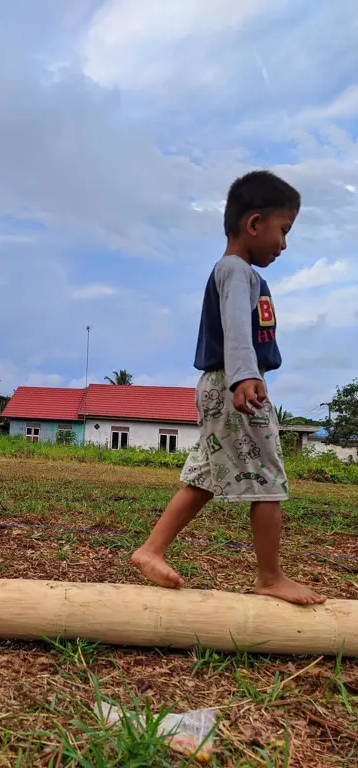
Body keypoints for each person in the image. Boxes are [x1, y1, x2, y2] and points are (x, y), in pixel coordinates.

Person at [132, 170, 326, 606]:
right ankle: (270, 577)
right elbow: (237, 324)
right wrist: (245, 376)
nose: (284, 244)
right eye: (283, 230)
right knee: (269, 479)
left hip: (222, 385)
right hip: (235, 384)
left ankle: (151, 549)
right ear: (254, 224)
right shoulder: (236, 271)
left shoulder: (238, 272)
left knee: (204, 476)